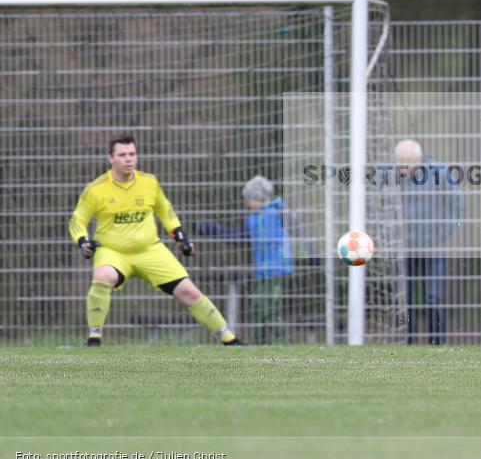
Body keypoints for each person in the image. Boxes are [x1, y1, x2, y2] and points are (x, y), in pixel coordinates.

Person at [68, 135, 241, 347]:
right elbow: (77, 221)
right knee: (103, 275)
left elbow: (165, 212)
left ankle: (230, 340)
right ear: (110, 158)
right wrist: (83, 241)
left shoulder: (149, 183)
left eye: (132, 154)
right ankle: (94, 339)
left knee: (189, 292)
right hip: (113, 252)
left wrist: (180, 237)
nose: (128, 159)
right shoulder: (96, 189)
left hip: (150, 250)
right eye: (122, 155)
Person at [198, 175, 318, 345]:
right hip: (261, 271)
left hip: (278, 269)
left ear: (258, 197)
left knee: (270, 311)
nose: (246, 203)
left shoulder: (279, 210)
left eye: (248, 199)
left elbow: (299, 231)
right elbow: (238, 238)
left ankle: (286, 345)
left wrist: (312, 253)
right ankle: (259, 346)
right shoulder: (253, 219)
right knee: (257, 310)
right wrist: (213, 229)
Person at [394, 139, 466, 345]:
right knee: (404, 299)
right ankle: (408, 343)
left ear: (420, 159)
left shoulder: (438, 173)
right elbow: (373, 201)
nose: (404, 166)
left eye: (409, 161)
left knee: (432, 297)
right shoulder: (389, 176)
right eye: (400, 161)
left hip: (431, 247)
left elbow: (457, 203)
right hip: (402, 249)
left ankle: (437, 343)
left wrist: (441, 233)